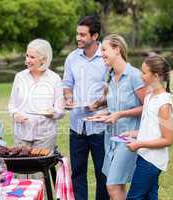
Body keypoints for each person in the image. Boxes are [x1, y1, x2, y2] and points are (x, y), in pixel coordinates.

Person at [90, 34, 146, 200]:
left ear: (117, 49)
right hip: (111, 138)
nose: (102, 55)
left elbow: (148, 108)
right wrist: (103, 115)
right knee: (117, 186)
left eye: (104, 50)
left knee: (112, 186)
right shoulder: (110, 77)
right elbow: (114, 108)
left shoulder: (135, 76)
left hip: (129, 139)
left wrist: (120, 114)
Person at [62, 15, 109, 200]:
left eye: (83, 34)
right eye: (77, 34)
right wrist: (68, 98)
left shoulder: (105, 58)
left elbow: (113, 89)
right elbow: (67, 83)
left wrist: (100, 103)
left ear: (95, 35)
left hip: (100, 126)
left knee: (102, 174)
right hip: (77, 127)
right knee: (78, 173)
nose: (78, 38)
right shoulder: (72, 58)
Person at [126, 55, 173, 200]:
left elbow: (168, 140)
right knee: (150, 196)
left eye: (145, 73)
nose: (141, 76)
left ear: (156, 76)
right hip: (144, 156)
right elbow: (150, 130)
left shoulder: (164, 104)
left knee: (134, 197)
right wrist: (132, 133)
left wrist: (140, 143)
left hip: (152, 160)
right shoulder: (149, 96)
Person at [8, 38, 64, 150]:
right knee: (21, 167)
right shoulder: (20, 77)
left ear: (43, 59)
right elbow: (12, 105)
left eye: (32, 57)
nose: (28, 60)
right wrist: (15, 114)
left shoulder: (55, 79)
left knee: (40, 167)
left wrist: (52, 113)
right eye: (27, 56)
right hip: (21, 135)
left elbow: (60, 111)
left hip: (45, 136)